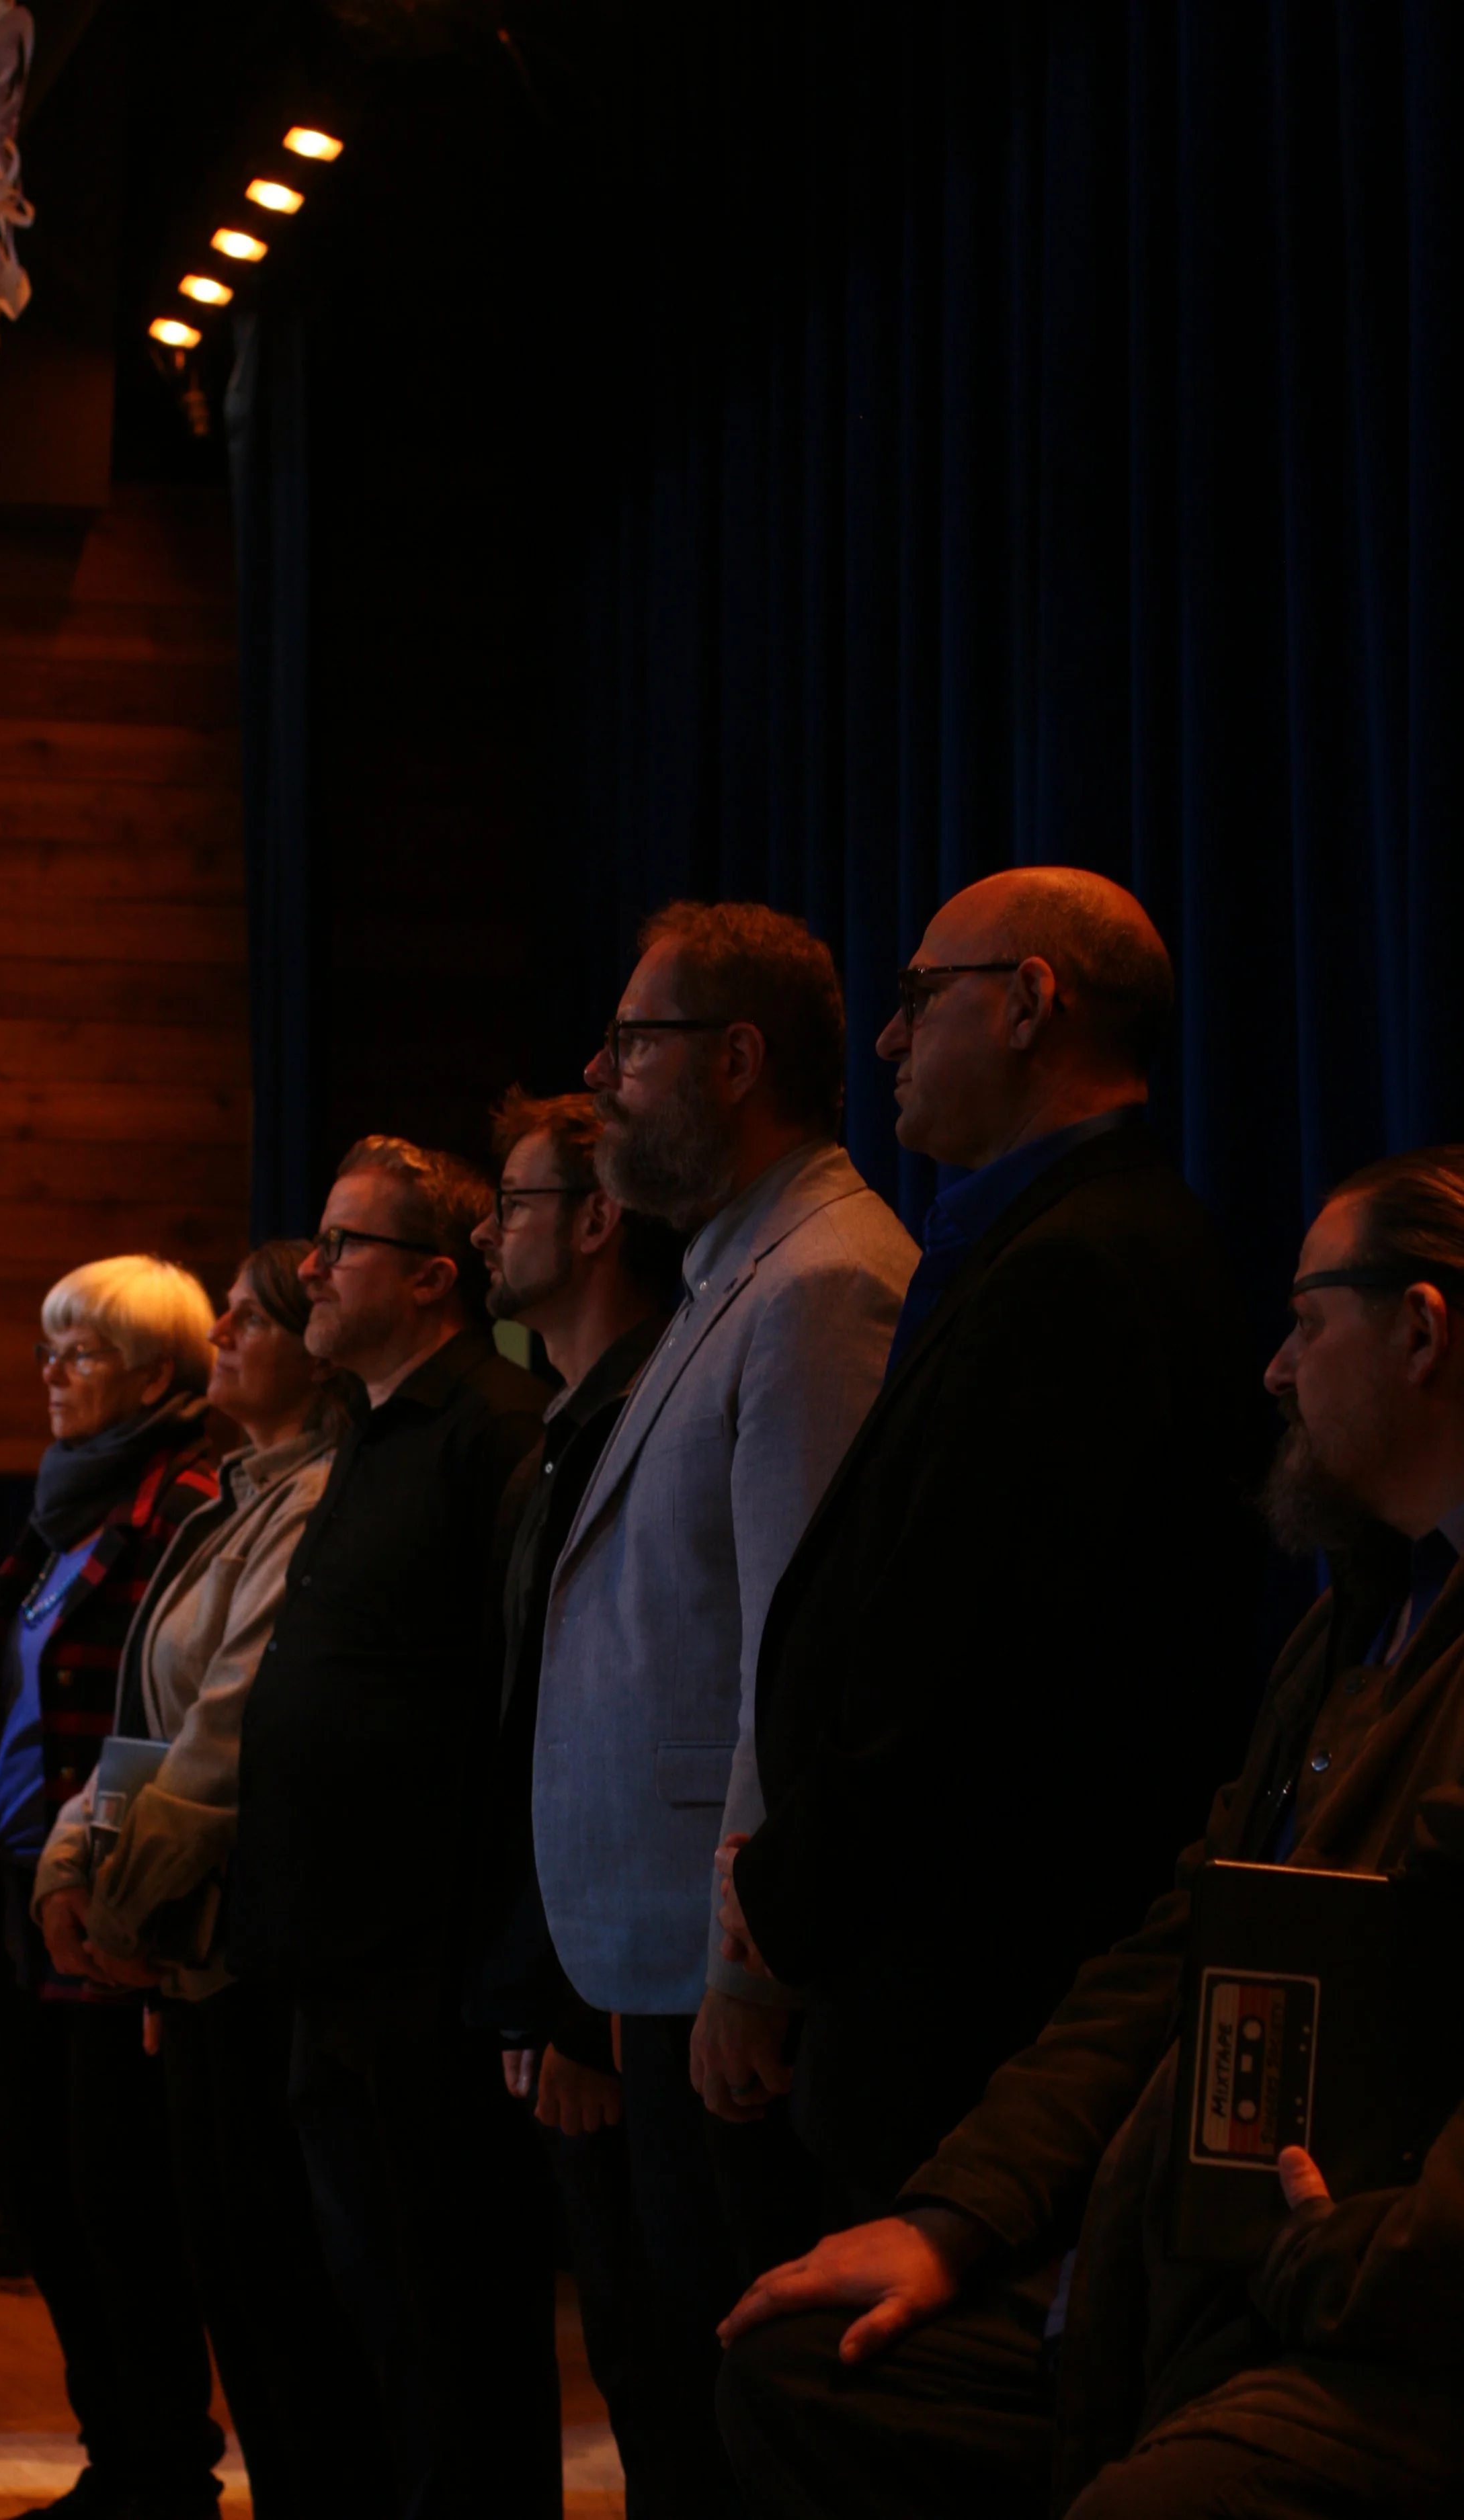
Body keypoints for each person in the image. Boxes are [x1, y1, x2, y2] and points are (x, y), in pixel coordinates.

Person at [717, 1143, 1464, 2519]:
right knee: (800, 2363)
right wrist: (955, 2218)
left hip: (1377, 2326)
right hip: (1225, 2270)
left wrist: (1305, 2264)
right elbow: (1174, 1954)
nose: (1273, 1370)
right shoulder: (1347, 1622)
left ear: (1418, 1331)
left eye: (1304, 1321)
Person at [715, 868, 1268, 2208]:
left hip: (974, 2006)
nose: (889, 1041)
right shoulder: (1039, 1245)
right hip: (930, 1973)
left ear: (1027, 1003)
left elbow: (963, 1667)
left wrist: (780, 1903)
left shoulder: (1082, 1269)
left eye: (915, 997)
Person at [532, 902, 920, 2514]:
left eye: (633, 1043)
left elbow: (795, 1657)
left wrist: (744, 1967)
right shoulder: (720, 1277)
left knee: (742, 2438)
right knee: (663, 2403)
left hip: (727, 1984)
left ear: (736, 1059)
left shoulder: (820, 1283)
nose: (601, 1075)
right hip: (649, 1969)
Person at [32, 1242, 382, 2520]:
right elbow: (140, 1714)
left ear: (315, 1345)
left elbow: (226, 1734)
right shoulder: (228, 1493)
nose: (222, 1329)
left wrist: (117, 1911)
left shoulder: (318, 1491)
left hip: (236, 1939)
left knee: (272, 2278)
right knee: (222, 2265)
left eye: (249, 1315)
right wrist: (73, 1864)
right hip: (169, 1931)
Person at [231, 1137, 553, 2520]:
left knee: (450, 2323)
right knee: (367, 2311)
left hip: (422, 1965)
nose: (311, 1267)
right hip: (328, 1954)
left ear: (432, 1279)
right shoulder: (366, 1426)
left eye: (339, 1244)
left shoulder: (494, 1427)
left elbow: (514, 1706)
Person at [0, 1257, 223, 2520]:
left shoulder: (185, 1496)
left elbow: (166, 1715)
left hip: (113, 1904)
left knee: (120, 2204)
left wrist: (102, 1878)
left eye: (79, 1351)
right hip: (25, 1898)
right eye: (50, 1348)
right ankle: (120, 2459)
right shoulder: (65, 1510)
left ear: (158, 1376)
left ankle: (164, 2470)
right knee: (46, 2192)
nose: (51, 1374)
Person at [466, 1087, 686, 2501]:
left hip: (615, 1985)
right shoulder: (561, 1422)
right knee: (625, 2351)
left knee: (662, 2374)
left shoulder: (638, 1411)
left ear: (599, 1220)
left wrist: (564, 2006)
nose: (490, 1235)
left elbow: (633, 1721)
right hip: (555, 1971)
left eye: (512, 1206)